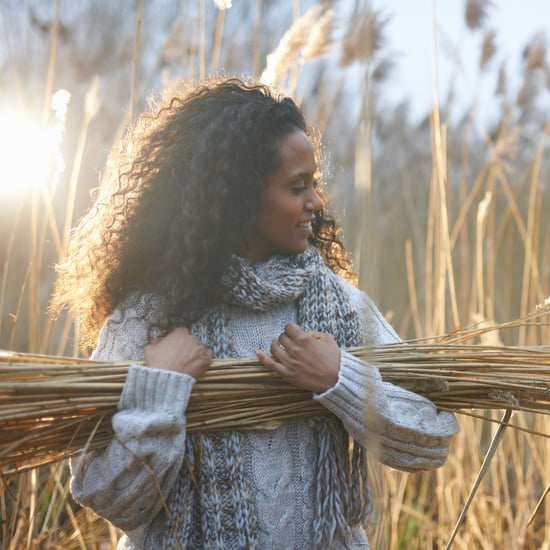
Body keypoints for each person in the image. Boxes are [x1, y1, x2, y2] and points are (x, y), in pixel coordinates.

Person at [53, 76, 459, 550]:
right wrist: (159, 393)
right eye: (297, 186)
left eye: (316, 183)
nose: (317, 202)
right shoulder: (150, 315)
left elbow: (432, 439)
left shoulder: (340, 307)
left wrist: (340, 378)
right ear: (238, 198)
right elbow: (108, 496)